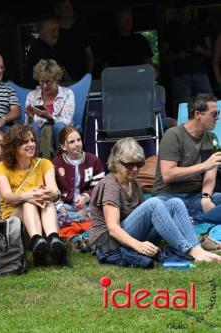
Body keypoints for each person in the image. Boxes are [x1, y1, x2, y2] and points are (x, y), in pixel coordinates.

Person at [89, 138, 221, 267]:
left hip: (131, 236)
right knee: (154, 203)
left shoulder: (133, 183)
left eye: (139, 164)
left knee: (175, 202)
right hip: (109, 242)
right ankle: (189, 250)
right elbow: (113, 229)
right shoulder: (110, 185)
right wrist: (138, 245)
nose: (135, 169)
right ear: (117, 163)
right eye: (130, 164)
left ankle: (197, 248)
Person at [0, 125, 68, 267]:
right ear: (14, 146)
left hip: (42, 219)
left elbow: (55, 191)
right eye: (25, 142)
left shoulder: (44, 163)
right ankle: (38, 243)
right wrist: (30, 195)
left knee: (46, 200)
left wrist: (48, 193)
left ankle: (53, 240)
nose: (31, 144)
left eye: (33, 140)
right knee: (29, 202)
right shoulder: (1, 167)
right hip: (15, 224)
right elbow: (6, 196)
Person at [152, 93, 221, 223]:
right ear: (198, 114)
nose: (217, 118)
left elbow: (211, 171)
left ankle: (196, 218)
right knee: (170, 206)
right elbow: (168, 174)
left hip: (195, 196)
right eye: (214, 114)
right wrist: (204, 165)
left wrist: (206, 197)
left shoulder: (211, 138)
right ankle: (200, 218)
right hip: (168, 196)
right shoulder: (173, 135)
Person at [161, 3, 212, 105]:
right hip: (181, 75)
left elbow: (210, 53)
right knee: (184, 109)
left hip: (200, 73)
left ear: (190, 10)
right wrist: (178, 56)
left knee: (210, 105)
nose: (185, 15)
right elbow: (163, 57)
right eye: (182, 13)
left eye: (187, 12)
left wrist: (200, 50)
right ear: (177, 12)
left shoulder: (200, 25)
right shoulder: (170, 28)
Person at [53, 126, 104, 225]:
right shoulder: (56, 163)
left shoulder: (93, 160)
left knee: (103, 207)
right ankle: (78, 219)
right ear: (63, 146)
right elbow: (54, 192)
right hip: (65, 206)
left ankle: (76, 219)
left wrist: (86, 196)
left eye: (79, 140)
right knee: (52, 212)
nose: (77, 144)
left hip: (87, 205)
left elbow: (100, 186)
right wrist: (62, 210)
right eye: (72, 142)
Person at [25, 59, 75, 150]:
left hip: (60, 134)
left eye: (48, 82)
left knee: (59, 126)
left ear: (56, 80)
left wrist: (49, 117)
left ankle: (61, 159)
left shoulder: (67, 94)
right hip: (39, 135)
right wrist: (30, 117)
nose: (44, 86)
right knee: (33, 128)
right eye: (41, 81)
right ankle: (36, 161)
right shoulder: (32, 96)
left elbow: (66, 121)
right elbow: (27, 127)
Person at [55, 0, 94, 81]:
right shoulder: (54, 33)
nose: (69, 9)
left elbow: (90, 57)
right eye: (65, 7)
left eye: (71, 7)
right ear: (57, 11)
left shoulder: (80, 30)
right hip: (60, 82)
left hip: (81, 79)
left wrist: (86, 77)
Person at [24, 17, 63, 88]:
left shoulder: (46, 46)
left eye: (58, 30)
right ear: (42, 31)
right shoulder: (41, 48)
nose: (56, 34)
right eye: (53, 30)